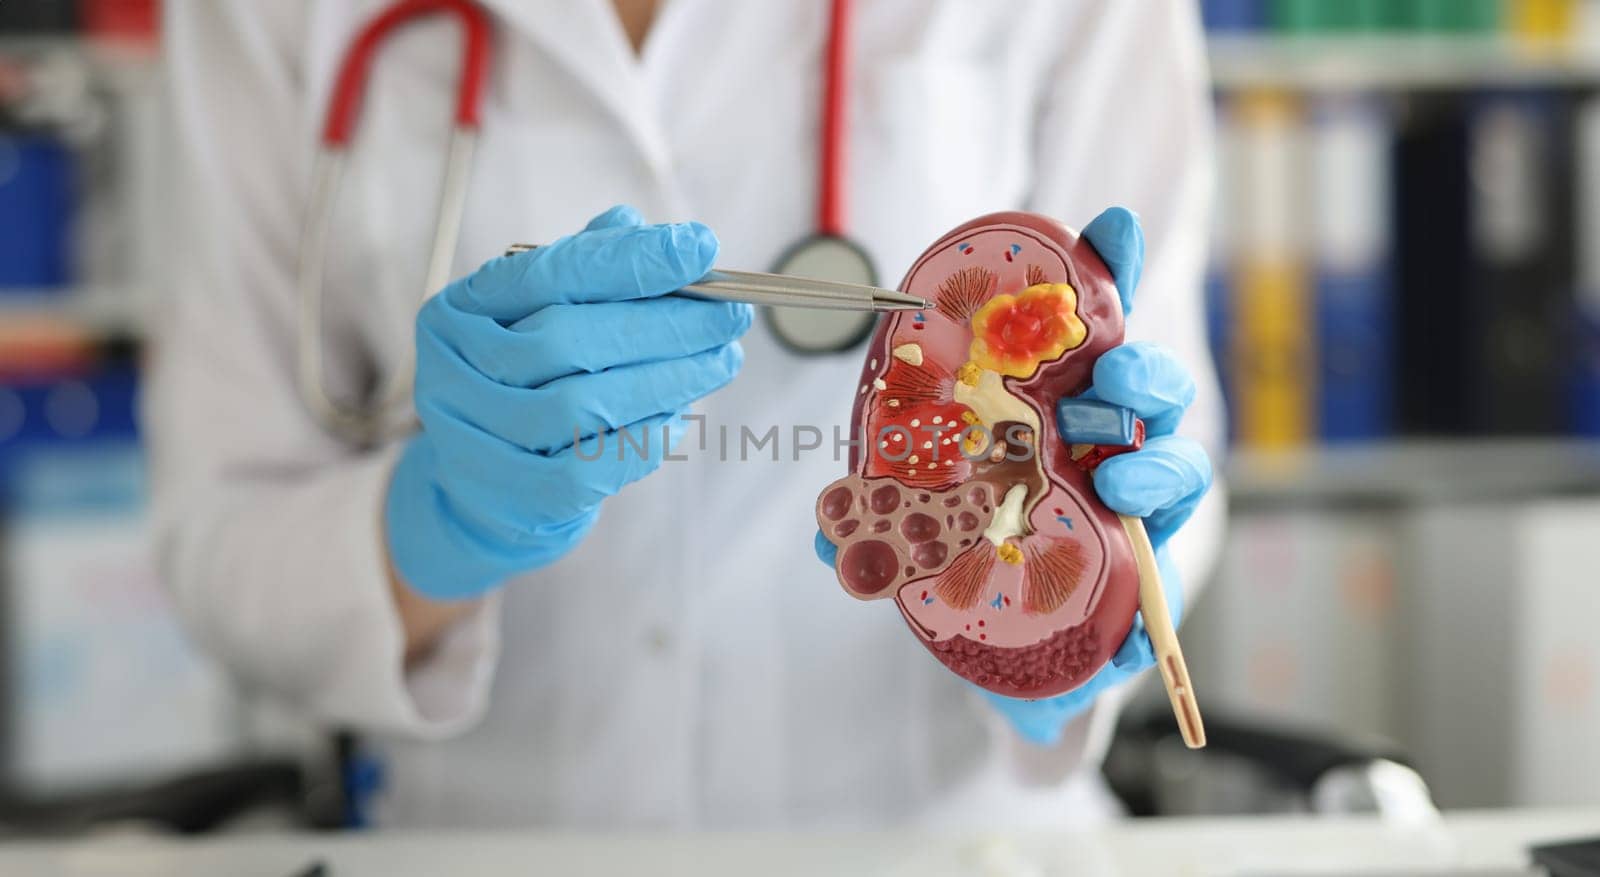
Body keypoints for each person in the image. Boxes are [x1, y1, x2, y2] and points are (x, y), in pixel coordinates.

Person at [148, 0, 1224, 829]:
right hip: (480, 838)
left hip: (943, 837)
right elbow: (220, 536)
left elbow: (1167, 443)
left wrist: (1073, 618)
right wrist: (434, 526)